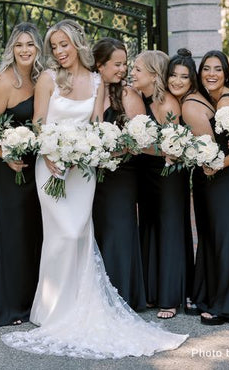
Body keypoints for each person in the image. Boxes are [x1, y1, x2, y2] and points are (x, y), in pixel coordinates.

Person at [2, 20, 187, 359]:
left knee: (79, 233)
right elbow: (39, 122)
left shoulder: (98, 80)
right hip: (52, 165)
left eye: (64, 44)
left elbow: (96, 126)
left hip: (84, 167)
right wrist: (48, 153)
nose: (59, 51)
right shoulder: (47, 79)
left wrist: (86, 153)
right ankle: (49, 310)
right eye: (54, 45)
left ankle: (78, 304)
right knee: (60, 234)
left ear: (77, 44)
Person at [167, 49, 229, 325]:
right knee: (211, 238)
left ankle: (227, 305)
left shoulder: (225, 102)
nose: (211, 74)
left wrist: (218, 165)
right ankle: (208, 295)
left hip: (226, 177)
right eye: (206, 69)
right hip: (208, 177)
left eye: (217, 69)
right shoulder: (207, 98)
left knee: (225, 240)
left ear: (226, 73)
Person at [0, 23, 44, 326]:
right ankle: (9, 305)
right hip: (7, 170)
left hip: (35, 168)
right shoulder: (5, 82)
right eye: (19, 45)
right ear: (11, 50)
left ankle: (33, 301)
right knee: (12, 233)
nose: (25, 50)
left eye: (30, 44)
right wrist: (7, 155)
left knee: (33, 232)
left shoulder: (43, 79)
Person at [130, 50, 193, 320]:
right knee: (150, 225)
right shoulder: (139, 99)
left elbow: (174, 149)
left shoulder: (168, 104)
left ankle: (170, 297)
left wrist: (141, 147)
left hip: (169, 175)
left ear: (154, 75)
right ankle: (152, 290)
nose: (132, 73)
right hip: (146, 173)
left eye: (138, 69)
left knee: (169, 228)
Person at [91, 37, 147, 312]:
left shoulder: (128, 95)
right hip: (89, 175)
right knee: (95, 230)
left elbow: (138, 140)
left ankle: (123, 294)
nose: (123, 69)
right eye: (117, 64)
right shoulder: (87, 91)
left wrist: (109, 153)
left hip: (121, 174)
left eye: (125, 63)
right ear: (99, 65)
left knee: (118, 231)